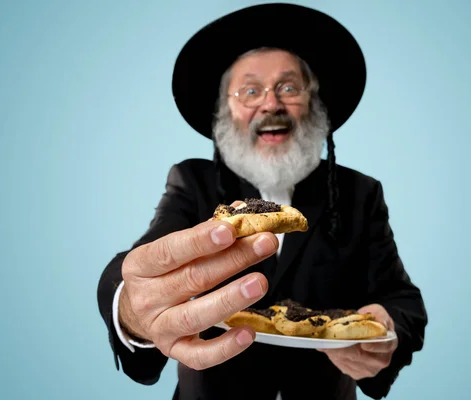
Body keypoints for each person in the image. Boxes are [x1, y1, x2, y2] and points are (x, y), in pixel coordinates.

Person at [97, 3, 427, 400]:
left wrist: (387, 330)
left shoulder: (360, 192)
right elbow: (146, 261)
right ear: (225, 111)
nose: (271, 105)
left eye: (288, 88)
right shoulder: (194, 182)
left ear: (314, 104)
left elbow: (403, 300)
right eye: (250, 91)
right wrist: (132, 308)